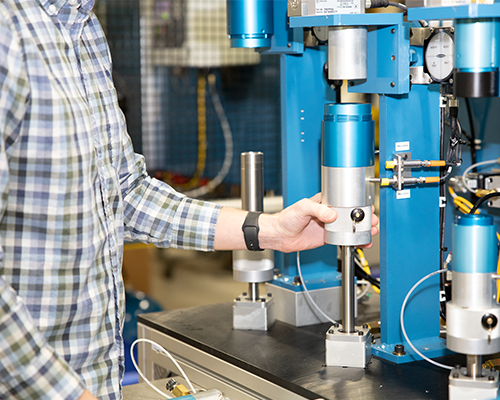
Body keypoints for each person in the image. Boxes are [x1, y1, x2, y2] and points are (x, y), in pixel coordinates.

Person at [0, 0, 379, 399]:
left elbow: (126, 194)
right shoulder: (10, 30)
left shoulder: (84, 30)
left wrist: (270, 231)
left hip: (92, 376)